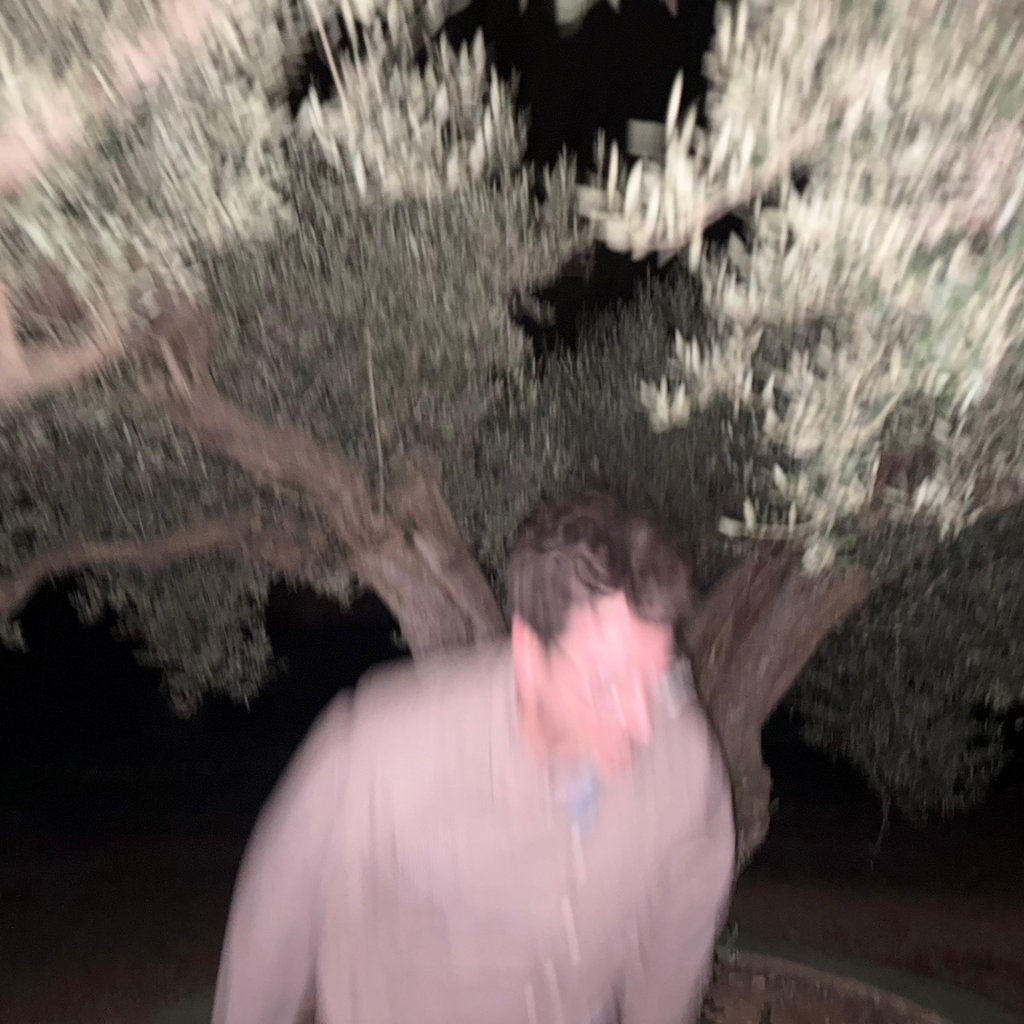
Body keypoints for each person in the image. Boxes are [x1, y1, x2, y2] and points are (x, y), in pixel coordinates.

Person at [211, 491, 736, 1024]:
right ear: (528, 656)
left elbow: (676, 941)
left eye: (654, 679)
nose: (643, 722)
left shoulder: (685, 766)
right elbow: (270, 936)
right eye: (608, 685)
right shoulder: (378, 754)